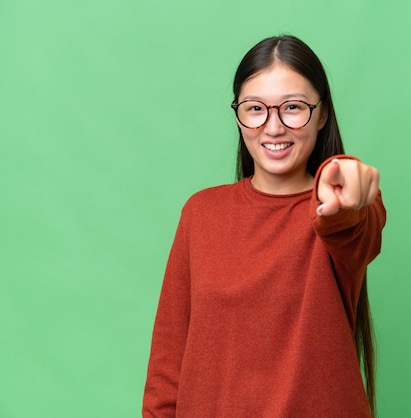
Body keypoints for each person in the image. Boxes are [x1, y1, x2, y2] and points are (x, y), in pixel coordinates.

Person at [143, 35, 386, 418]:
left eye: (293, 107)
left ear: (322, 114)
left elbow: (353, 226)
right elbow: (167, 365)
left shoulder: (335, 211)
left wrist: (347, 188)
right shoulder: (200, 213)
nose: (273, 127)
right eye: (255, 109)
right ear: (237, 113)